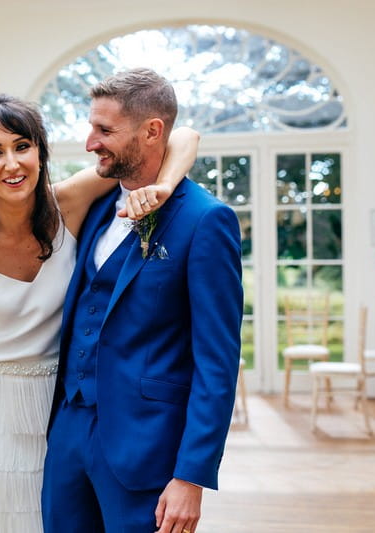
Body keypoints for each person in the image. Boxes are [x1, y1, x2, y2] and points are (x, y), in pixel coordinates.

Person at [0, 92, 199, 532]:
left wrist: (163, 188)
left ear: (40, 153)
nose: (12, 164)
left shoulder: (69, 204)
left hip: (61, 411)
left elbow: (183, 137)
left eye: (22, 146)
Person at [39, 68, 243, 533]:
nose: (90, 143)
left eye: (105, 131)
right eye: (92, 127)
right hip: (67, 433)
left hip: (147, 449)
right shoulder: (92, 206)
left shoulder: (205, 221)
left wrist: (191, 474)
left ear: (153, 132)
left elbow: (218, 361)